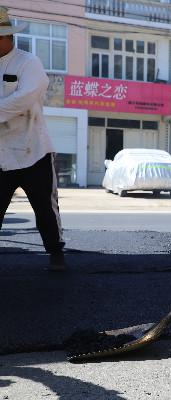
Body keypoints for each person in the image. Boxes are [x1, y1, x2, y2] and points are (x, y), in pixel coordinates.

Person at [0, 7, 66, 271]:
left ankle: (56, 253)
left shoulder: (29, 63)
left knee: (46, 212)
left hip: (34, 151)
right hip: (1, 156)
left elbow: (24, 100)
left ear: (5, 37)